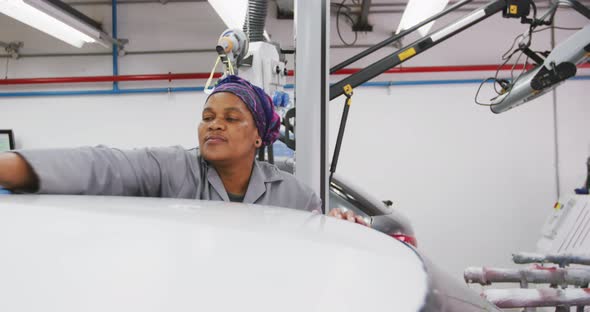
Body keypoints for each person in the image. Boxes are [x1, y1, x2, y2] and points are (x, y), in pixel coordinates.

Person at [0, 75, 365, 224]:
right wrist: (11, 166)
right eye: (207, 116)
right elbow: (103, 166)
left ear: (259, 136)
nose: (214, 124)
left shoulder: (296, 197)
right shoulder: (171, 168)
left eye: (231, 118)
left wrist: (340, 227)